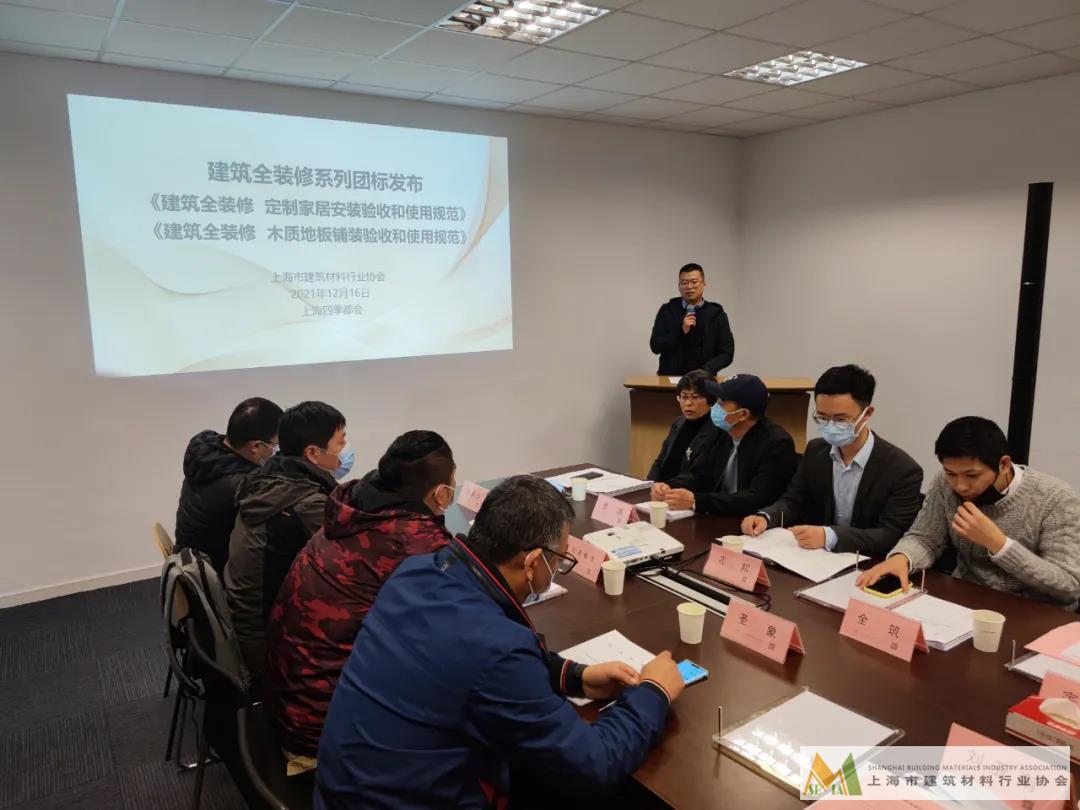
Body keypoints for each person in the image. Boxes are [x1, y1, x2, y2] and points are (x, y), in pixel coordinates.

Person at [315, 475, 685, 810]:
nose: (558, 569)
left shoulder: (416, 572)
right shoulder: (497, 647)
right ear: (533, 562)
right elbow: (591, 764)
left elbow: (467, 668)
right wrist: (653, 692)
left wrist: (575, 677)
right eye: (559, 559)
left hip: (343, 790)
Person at [265, 430, 457, 762]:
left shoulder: (352, 508)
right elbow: (452, 632)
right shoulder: (416, 543)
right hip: (324, 728)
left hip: (287, 696)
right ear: (441, 493)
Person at [858, 417, 1080, 610]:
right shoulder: (944, 484)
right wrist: (902, 558)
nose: (960, 486)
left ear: (1004, 464)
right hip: (965, 599)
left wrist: (1000, 545)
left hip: (1032, 612)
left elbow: (1069, 586)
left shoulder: (1055, 498)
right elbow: (925, 537)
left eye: (972, 475)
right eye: (951, 473)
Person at [224, 400, 351, 678]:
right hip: (265, 639)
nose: (346, 449)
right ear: (312, 453)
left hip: (243, 622)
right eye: (341, 442)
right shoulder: (305, 503)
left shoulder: (268, 480)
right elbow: (352, 558)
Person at [741, 365, 922, 557]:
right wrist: (766, 517)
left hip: (866, 562)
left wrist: (830, 536)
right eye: (822, 417)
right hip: (815, 558)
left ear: (867, 414)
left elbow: (890, 535)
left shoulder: (902, 469)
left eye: (841, 419)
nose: (830, 426)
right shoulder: (816, 450)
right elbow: (794, 501)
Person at [655, 374, 797, 517]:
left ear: (743, 414)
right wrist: (669, 486)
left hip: (752, 521)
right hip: (718, 515)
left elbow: (757, 498)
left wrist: (697, 501)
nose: (715, 406)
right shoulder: (723, 431)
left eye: (721, 402)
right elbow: (700, 472)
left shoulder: (776, 443)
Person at [174, 397, 282, 573]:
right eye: (275, 445)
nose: (276, 451)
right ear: (255, 446)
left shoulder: (205, 452)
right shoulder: (242, 486)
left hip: (188, 558)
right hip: (213, 573)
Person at [649, 263, 734, 376]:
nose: (689, 287)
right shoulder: (668, 310)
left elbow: (726, 353)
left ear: (704, 284)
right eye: (684, 283)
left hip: (703, 378)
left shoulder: (716, 314)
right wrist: (681, 332)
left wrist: (706, 370)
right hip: (669, 377)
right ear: (679, 286)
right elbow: (655, 346)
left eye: (694, 282)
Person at [646, 370, 718, 489]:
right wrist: (650, 484)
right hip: (662, 489)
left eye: (695, 397)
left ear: (711, 399)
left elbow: (699, 474)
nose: (688, 403)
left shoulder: (716, 429)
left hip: (686, 492)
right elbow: (660, 461)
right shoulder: (678, 423)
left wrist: (666, 486)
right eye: (684, 397)